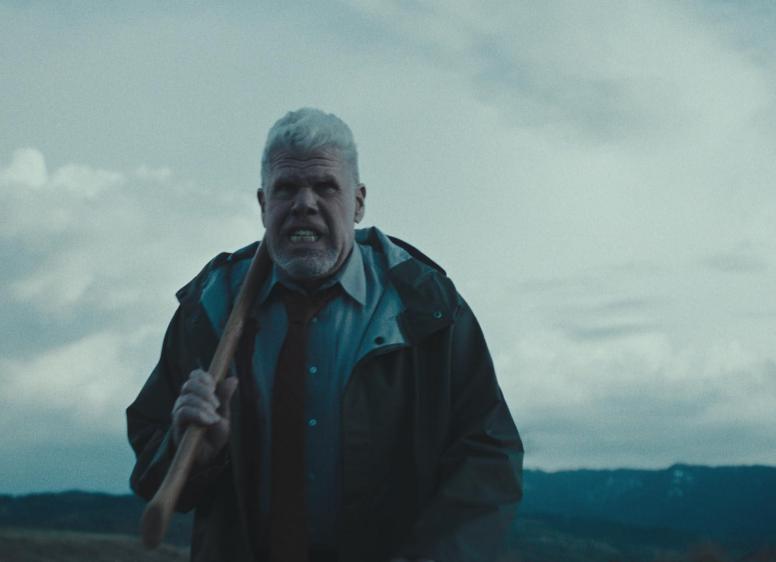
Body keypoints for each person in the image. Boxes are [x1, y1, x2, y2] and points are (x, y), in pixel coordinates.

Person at [127, 108, 524, 562]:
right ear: (263, 204)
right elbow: (153, 476)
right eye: (286, 189)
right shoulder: (209, 308)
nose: (304, 203)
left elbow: (487, 455)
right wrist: (195, 453)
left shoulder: (425, 305)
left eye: (325, 186)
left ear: (358, 202)